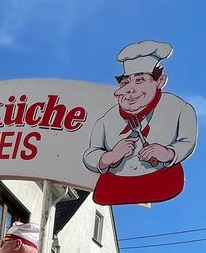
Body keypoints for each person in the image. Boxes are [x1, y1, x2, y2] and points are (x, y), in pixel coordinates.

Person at [83, 40, 197, 205]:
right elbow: (90, 153)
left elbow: (187, 141)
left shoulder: (180, 109)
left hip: (163, 182)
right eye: (125, 82)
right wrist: (111, 156)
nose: (130, 89)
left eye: (140, 80)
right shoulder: (106, 120)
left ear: (160, 81)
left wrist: (168, 153)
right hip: (115, 186)